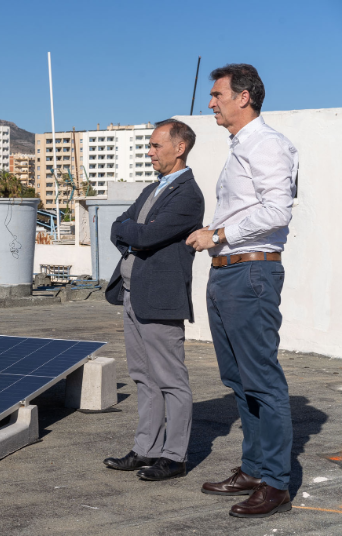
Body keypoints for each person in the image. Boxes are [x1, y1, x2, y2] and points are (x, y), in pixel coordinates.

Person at [186, 63, 298, 518]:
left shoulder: (267, 144)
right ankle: (254, 468)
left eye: (218, 94)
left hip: (250, 273)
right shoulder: (242, 147)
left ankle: (275, 482)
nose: (211, 102)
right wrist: (217, 236)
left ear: (244, 97)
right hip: (229, 273)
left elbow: (277, 210)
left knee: (262, 380)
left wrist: (220, 233)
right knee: (238, 378)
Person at [103, 119, 205, 481]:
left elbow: (146, 235)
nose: (150, 152)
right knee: (143, 377)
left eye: (156, 146)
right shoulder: (152, 189)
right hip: (132, 296)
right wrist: (134, 235)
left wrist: (134, 235)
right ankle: (146, 449)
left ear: (179, 148)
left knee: (170, 379)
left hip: (160, 299)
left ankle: (174, 456)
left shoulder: (188, 195)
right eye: (149, 146)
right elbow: (119, 224)